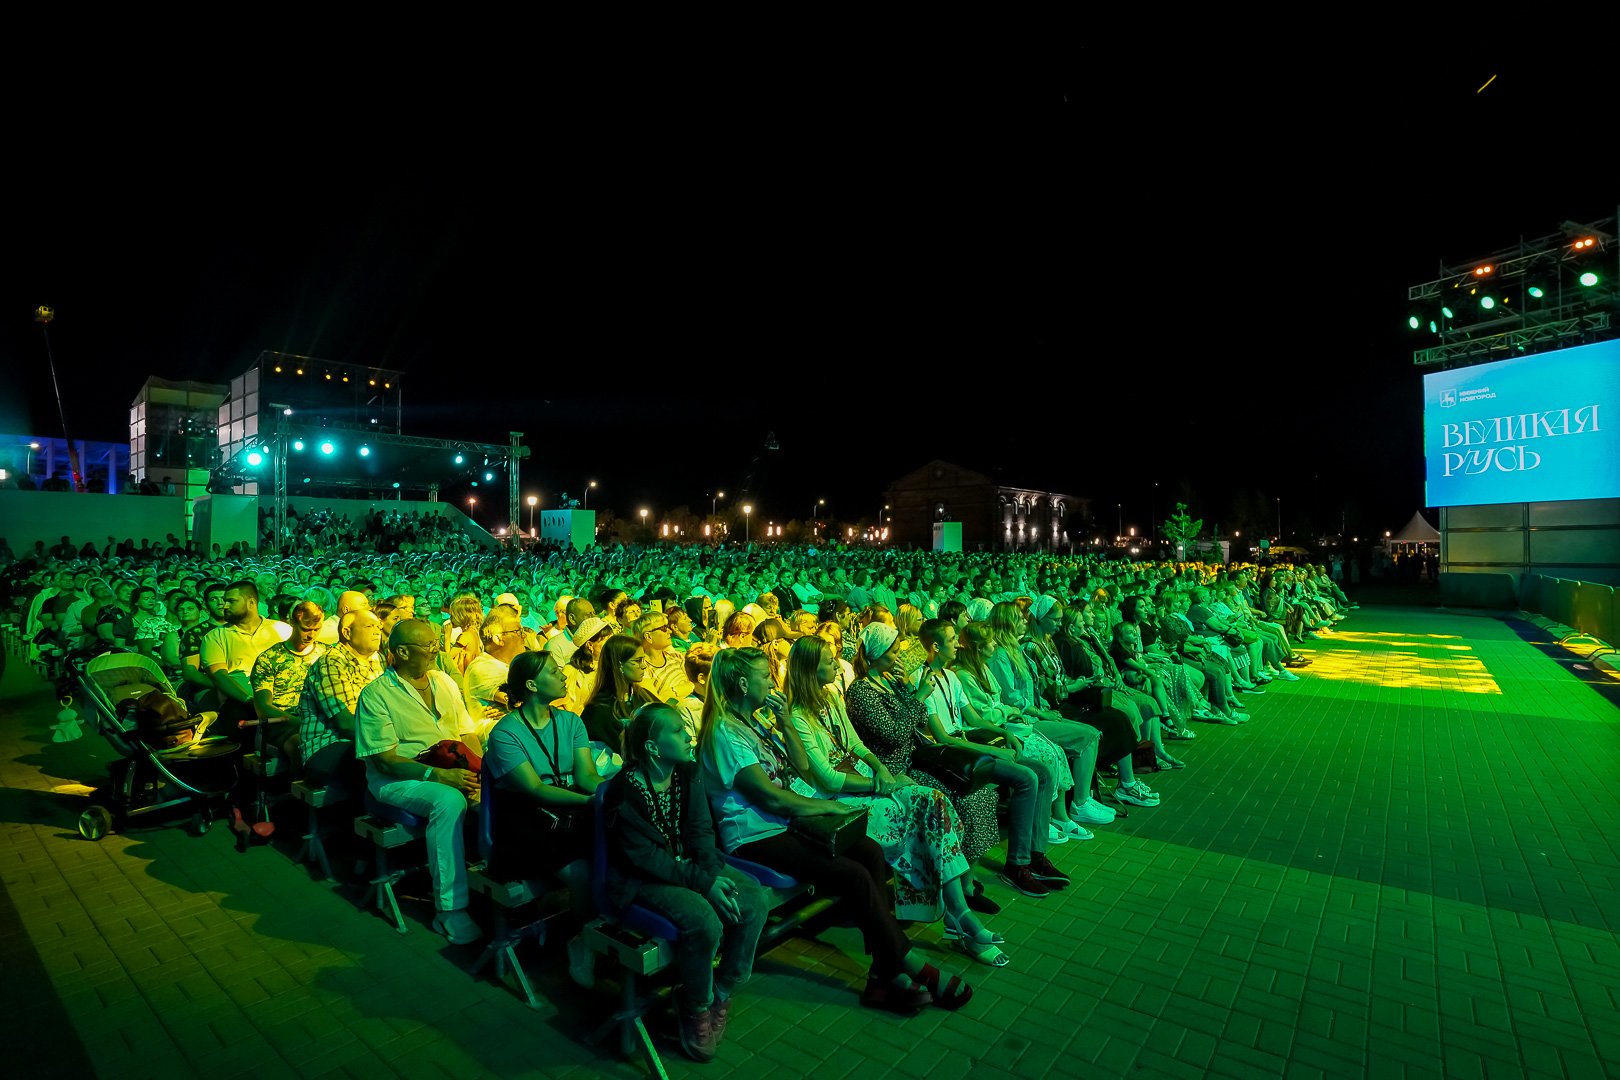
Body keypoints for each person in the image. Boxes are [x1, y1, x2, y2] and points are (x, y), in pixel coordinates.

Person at [699, 647, 974, 1013]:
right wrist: (829, 806)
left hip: (785, 824)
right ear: (742, 682)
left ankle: (882, 974)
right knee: (851, 875)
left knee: (870, 852)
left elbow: (797, 766)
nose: (772, 680)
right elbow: (771, 799)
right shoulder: (725, 732)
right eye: (765, 675)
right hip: (753, 836)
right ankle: (912, 966)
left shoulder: (756, 719)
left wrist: (783, 726)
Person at [779, 636, 1006, 966]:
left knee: (933, 801)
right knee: (916, 817)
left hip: (865, 779)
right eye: (829, 661)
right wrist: (878, 783)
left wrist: (883, 771)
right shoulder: (800, 715)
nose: (835, 664)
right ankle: (958, 919)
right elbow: (825, 778)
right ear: (810, 669)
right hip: (838, 796)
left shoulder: (829, 696)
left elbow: (856, 745)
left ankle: (958, 914)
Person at [849, 622, 1066, 900]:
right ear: (876, 655)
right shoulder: (861, 691)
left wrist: (906, 688)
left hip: (921, 758)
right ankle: (975, 881)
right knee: (974, 794)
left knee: (1027, 777)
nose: (899, 656)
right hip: (905, 764)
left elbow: (922, 720)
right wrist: (917, 695)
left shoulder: (896, 681)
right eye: (893, 651)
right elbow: (897, 735)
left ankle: (1016, 861)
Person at [603, 703, 771, 1062]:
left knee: (755, 899)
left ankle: (722, 991)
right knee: (704, 920)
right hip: (641, 879)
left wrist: (708, 875)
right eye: (678, 731)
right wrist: (704, 885)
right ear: (652, 747)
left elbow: (701, 831)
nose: (687, 735)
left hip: (689, 867)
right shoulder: (623, 793)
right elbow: (647, 859)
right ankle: (695, 1005)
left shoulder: (687, 773)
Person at [354, 619, 484, 945]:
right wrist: (437, 775)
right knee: (448, 800)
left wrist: (480, 770)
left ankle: (497, 882)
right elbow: (385, 760)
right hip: (397, 779)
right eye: (428, 646)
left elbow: (466, 732)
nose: (436, 649)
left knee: (498, 790)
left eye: (435, 643)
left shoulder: (443, 681)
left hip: (447, 766)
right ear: (401, 651)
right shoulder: (376, 694)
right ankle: (450, 909)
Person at [297, 610, 384, 791]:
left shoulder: (375, 659)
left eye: (379, 627)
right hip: (327, 747)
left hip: (363, 741)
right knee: (385, 765)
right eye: (370, 626)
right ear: (347, 633)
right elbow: (346, 724)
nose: (377, 632)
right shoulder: (331, 662)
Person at [201, 581, 293, 736]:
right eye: (225, 601)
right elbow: (219, 676)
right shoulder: (215, 636)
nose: (225, 606)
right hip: (241, 702)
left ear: (251, 602)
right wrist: (250, 701)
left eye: (231, 601)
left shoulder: (282, 629)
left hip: (285, 696)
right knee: (238, 722)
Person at [249, 601, 326, 754]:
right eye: (305, 629)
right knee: (300, 746)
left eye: (317, 629)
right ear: (292, 622)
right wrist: (301, 723)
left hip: (320, 716)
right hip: (283, 722)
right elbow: (263, 708)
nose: (311, 635)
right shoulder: (269, 658)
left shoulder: (327, 654)